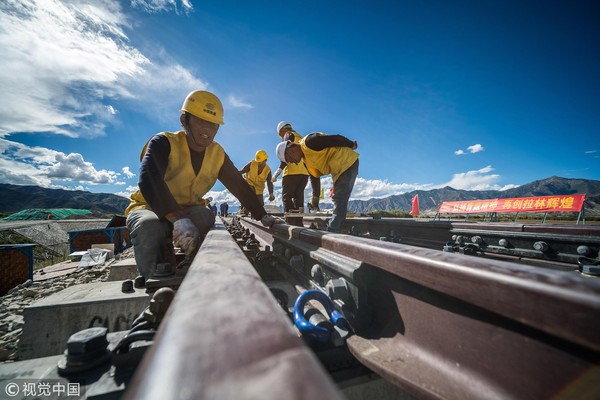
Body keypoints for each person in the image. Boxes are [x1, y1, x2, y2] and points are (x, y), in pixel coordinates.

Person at [125, 90, 282, 279]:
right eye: (200, 121)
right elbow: (148, 179)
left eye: (213, 125)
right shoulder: (164, 142)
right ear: (184, 120)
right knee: (149, 226)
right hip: (149, 206)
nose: (207, 129)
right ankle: (154, 280)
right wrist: (176, 218)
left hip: (188, 208)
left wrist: (262, 215)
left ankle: (192, 262)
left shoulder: (217, 154)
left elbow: (239, 186)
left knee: (205, 217)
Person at [276, 132, 359, 232]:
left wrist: (351, 144)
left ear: (291, 150)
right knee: (338, 198)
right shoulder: (305, 160)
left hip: (347, 162)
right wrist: (315, 197)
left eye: (290, 160)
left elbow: (335, 139)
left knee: (339, 198)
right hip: (339, 169)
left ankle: (332, 231)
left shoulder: (310, 142)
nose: (294, 163)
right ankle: (336, 227)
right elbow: (314, 176)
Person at [272, 121, 320, 213]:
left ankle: (290, 223)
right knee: (298, 198)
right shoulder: (300, 137)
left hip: (291, 173)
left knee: (287, 197)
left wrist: (278, 172)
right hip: (304, 173)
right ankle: (298, 223)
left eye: (280, 134)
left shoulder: (287, 135)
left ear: (282, 130)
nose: (281, 136)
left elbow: (286, 153)